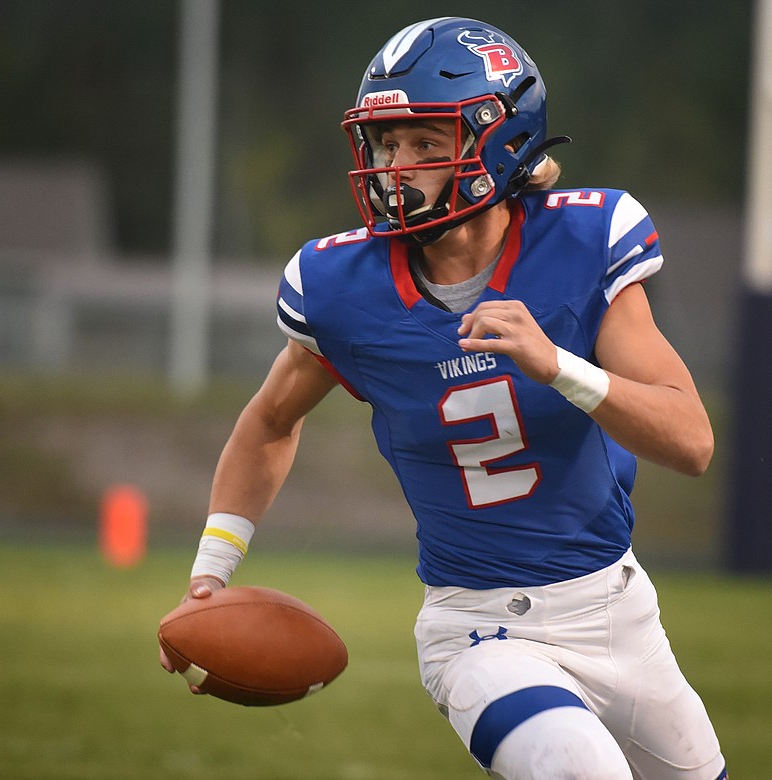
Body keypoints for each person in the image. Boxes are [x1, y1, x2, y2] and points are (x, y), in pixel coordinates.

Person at [160, 15, 727, 780]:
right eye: (387, 144)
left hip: (618, 610)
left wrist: (557, 364)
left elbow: (690, 442)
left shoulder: (584, 245)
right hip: (479, 630)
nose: (397, 167)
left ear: (501, 141)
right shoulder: (343, 291)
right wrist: (211, 570)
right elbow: (268, 423)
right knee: (576, 768)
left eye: (427, 143)